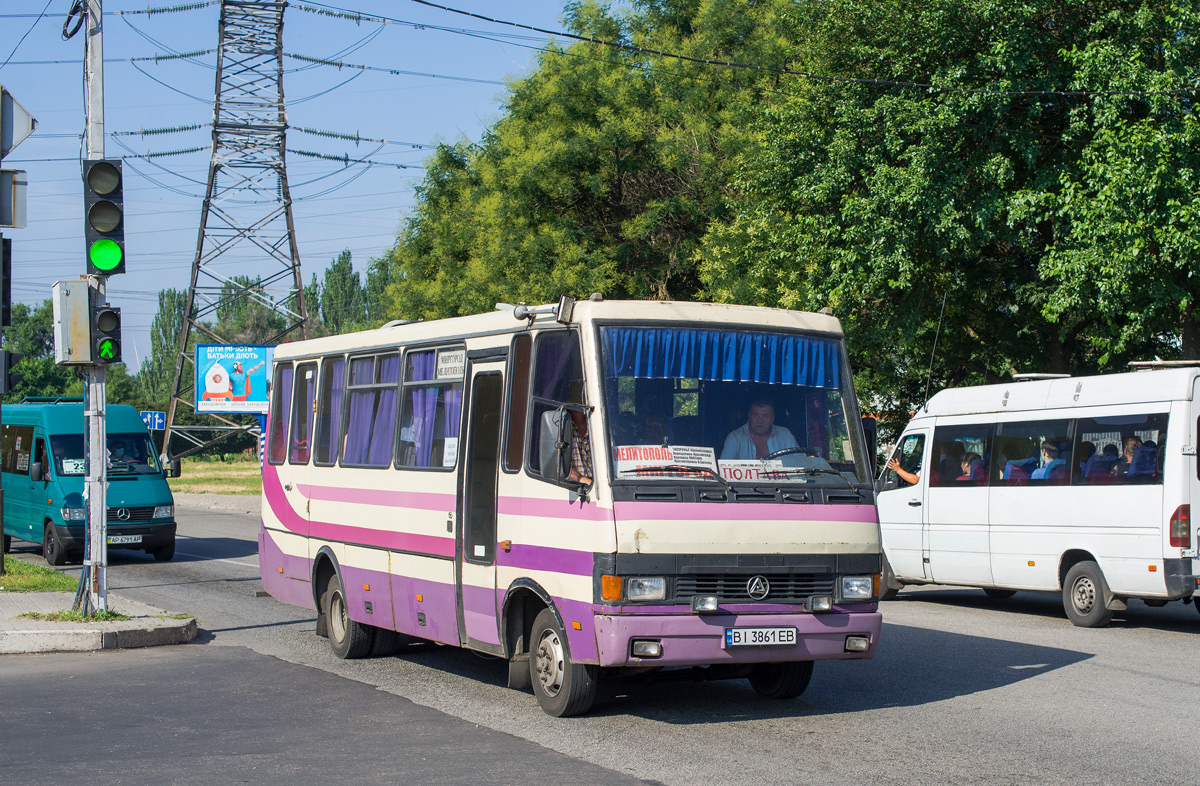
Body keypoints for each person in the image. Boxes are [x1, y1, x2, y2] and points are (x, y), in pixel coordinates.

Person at [720, 398, 799, 460]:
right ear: (749, 416)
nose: (760, 421)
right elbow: (724, 469)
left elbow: (802, 463)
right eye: (755, 415)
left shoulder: (785, 435)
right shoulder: (735, 438)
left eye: (765, 416)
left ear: (772, 418)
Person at [567, 408, 593, 486]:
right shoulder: (562, 429)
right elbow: (558, 466)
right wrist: (585, 480)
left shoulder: (599, 429)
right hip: (573, 487)